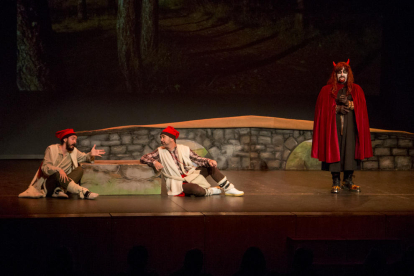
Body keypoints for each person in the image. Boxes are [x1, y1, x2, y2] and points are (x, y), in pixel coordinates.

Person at [311, 60, 373, 193]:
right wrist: (336, 109)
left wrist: (350, 103)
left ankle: (348, 181)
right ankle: (336, 181)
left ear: (348, 74)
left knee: (350, 152)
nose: (342, 75)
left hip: (351, 128)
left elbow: (362, 109)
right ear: (335, 75)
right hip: (333, 129)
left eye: (344, 72)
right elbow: (321, 110)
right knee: (334, 151)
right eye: (339, 72)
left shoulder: (356, 89)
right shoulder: (326, 90)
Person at [140, 126, 244, 197]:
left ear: (171, 138)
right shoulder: (160, 151)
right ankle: (211, 191)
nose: (161, 139)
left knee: (210, 166)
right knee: (196, 190)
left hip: (190, 174)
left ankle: (228, 188)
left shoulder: (184, 148)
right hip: (177, 181)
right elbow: (144, 158)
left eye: (163, 137)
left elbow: (197, 159)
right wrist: (155, 162)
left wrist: (209, 160)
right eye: (161, 137)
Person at [19, 128, 105, 199]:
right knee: (57, 173)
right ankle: (84, 192)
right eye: (72, 138)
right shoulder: (51, 149)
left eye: (76, 139)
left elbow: (85, 157)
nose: (75, 141)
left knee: (79, 169)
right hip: (49, 183)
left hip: (63, 182)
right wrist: (58, 169)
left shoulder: (73, 151)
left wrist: (91, 154)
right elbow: (45, 167)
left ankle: (59, 190)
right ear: (65, 139)